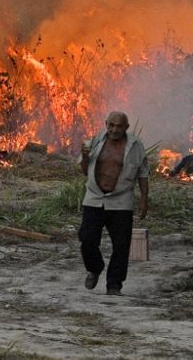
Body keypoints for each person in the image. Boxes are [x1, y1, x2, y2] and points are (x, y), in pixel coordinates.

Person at [77, 111, 149, 296]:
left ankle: (114, 285)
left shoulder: (135, 146)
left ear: (126, 127)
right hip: (94, 197)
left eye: (119, 126)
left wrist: (144, 199)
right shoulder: (96, 141)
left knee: (121, 245)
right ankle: (95, 267)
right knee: (87, 238)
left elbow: (142, 174)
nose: (114, 130)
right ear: (106, 124)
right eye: (111, 125)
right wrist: (85, 157)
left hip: (121, 200)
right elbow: (85, 171)